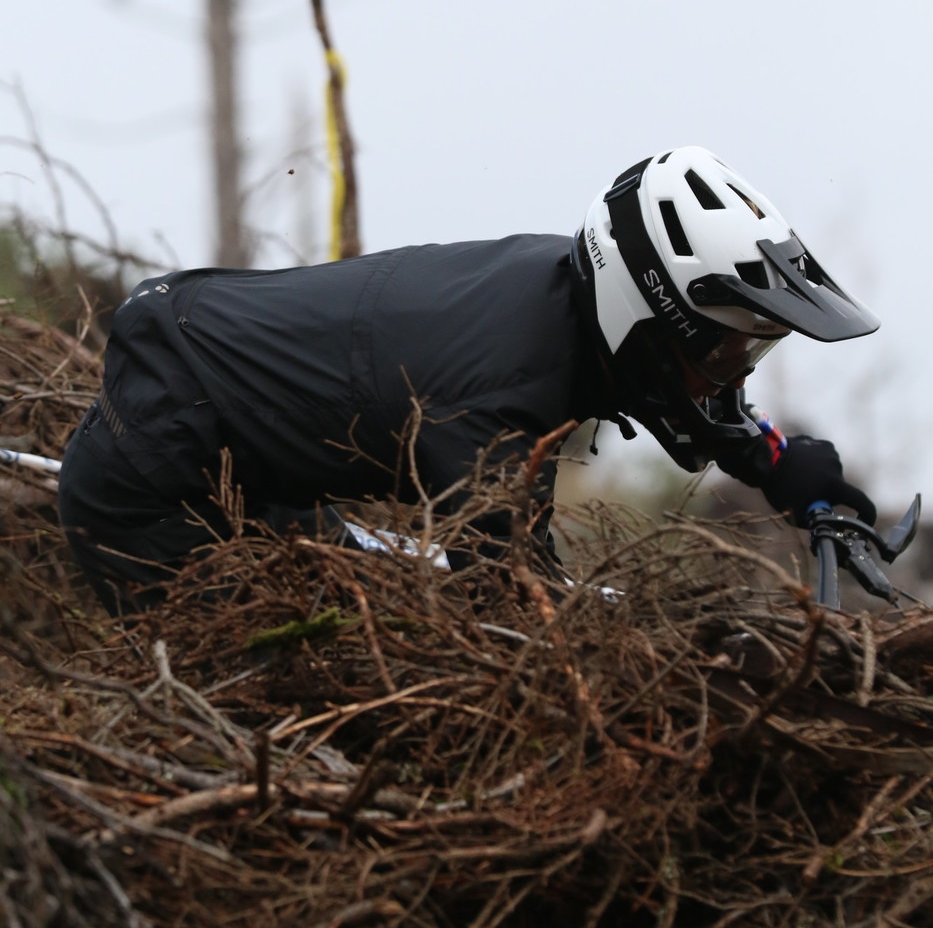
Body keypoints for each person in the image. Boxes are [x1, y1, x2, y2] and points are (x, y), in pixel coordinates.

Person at [59, 145, 878, 614]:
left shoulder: (578, 300)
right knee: (285, 684)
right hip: (150, 485)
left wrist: (788, 474)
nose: (724, 380)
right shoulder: (493, 399)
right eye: (722, 355)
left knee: (344, 608)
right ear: (647, 315)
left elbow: (682, 390)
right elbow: (516, 599)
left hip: (255, 464)